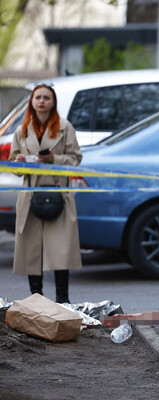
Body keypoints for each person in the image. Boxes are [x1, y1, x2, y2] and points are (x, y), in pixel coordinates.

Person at [9, 83, 83, 304]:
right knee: (32, 252)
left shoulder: (65, 127)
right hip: (31, 195)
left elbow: (76, 159)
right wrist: (20, 162)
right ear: (32, 101)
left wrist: (53, 159)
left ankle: (63, 302)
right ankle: (37, 302)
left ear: (53, 102)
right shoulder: (22, 129)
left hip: (59, 193)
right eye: (38, 97)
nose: (41, 101)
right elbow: (13, 165)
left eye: (46, 98)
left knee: (61, 251)